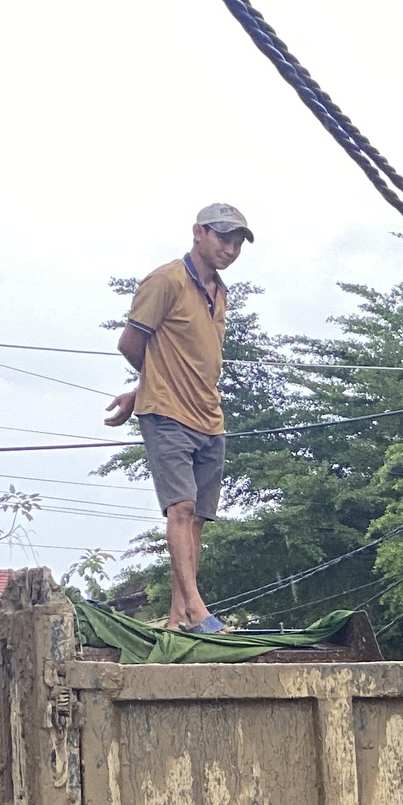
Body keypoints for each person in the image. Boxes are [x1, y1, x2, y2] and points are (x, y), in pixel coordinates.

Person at [108, 204, 253, 635]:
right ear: (198, 234)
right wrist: (149, 390)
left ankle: (177, 618)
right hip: (167, 413)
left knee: (198, 519)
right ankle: (195, 606)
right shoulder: (166, 280)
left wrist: (139, 390)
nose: (229, 249)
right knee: (181, 507)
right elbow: (131, 344)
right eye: (222, 238)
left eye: (237, 242)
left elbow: (187, 355)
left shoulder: (221, 293)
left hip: (209, 415)